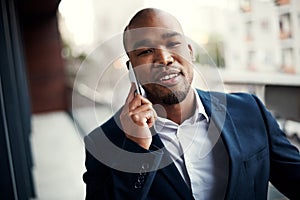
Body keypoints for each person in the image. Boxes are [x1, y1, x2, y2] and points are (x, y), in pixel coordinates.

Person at [83, 8, 300, 200]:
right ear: (132, 69)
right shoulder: (102, 142)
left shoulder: (250, 111)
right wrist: (137, 148)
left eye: (172, 43)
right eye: (146, 51)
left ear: (190, 52)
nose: (165, 58)